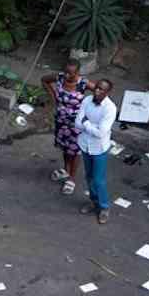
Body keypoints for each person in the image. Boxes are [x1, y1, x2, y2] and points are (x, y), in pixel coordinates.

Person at [42, 60, 96, 195]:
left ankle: (71, 179)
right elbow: (44, 80)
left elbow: (100, 93)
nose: (66, 75)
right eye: (65, 72)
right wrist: (53, 97)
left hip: (76, 124)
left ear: (77, 73)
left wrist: (90, 111)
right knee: (65, 147)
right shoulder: (59, 77)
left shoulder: (83, 84)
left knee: (75, 151)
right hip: (61, 120)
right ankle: (66, 170)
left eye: (70, 73)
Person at [75, 79, 117, 224]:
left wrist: (86, 123)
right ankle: (94, 202)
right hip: (85, 144)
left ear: (107, 92)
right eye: (96, 88)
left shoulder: (110, 108)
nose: (97, 91)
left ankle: (104, 207)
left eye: (101, 89)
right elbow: (77, 123)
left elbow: (101, 133)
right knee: (89, 177)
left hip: (99, 148)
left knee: (99, 180)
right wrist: (93, 126)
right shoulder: (87, 100)